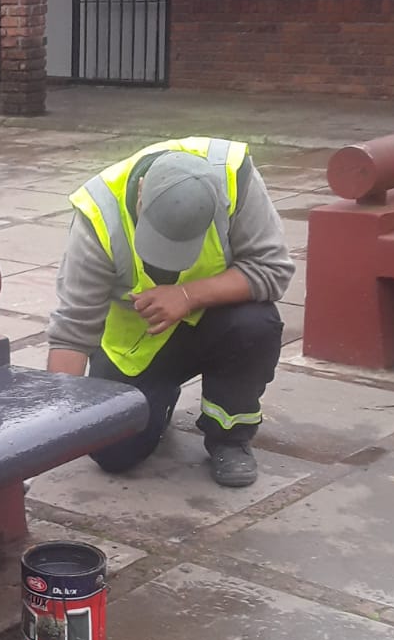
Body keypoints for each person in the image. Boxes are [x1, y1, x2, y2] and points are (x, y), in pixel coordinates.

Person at [47, 137, 294, 488]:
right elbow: (73, 328)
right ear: (142, 192)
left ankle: (229, 436)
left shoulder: (233, 178)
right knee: (114, 454)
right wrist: (55, 424)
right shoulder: (98, 212)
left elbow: (272, 270)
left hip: (218, 323)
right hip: (140, 343)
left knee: (256, 324)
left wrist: (187, 295)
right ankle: (159, 399)